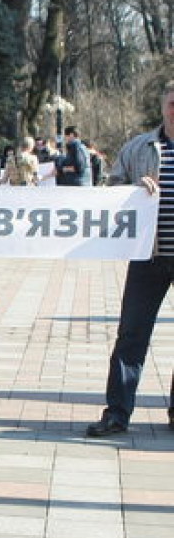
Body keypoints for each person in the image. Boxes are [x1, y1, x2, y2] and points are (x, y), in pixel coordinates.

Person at [86, 79, 174, 437]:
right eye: (172, 101)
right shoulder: (140, 147)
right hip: (148, 256)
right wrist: (133, 191)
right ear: (164, 105)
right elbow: (110, 194)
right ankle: (117, 414)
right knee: (132, 335)